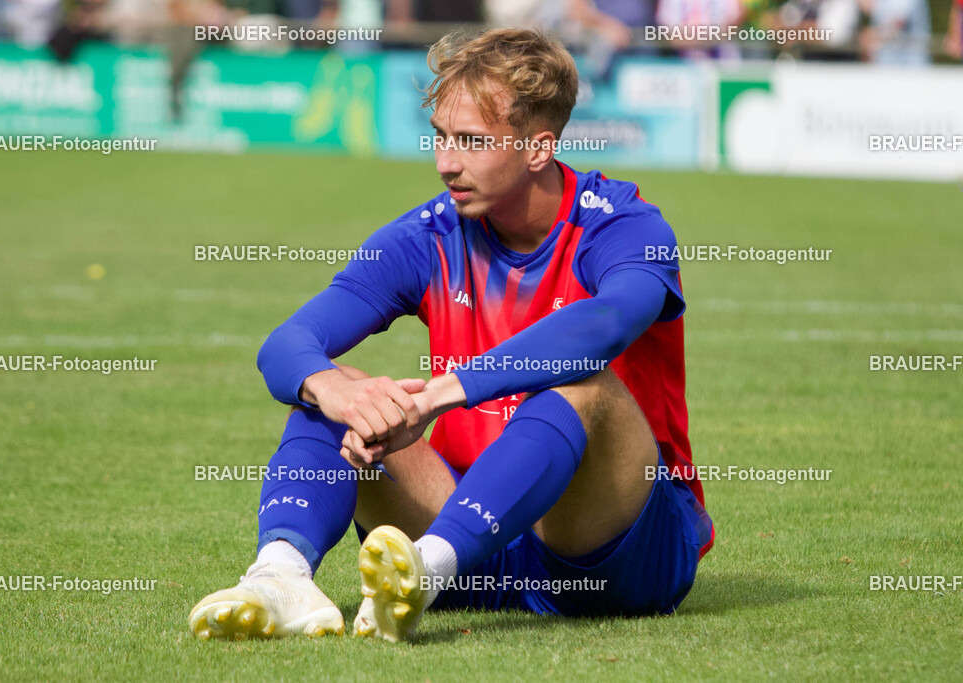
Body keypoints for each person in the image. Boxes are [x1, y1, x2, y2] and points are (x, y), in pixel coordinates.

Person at [188, 28, 714, 643]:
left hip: (612, 550)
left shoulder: (623, 224)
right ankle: (280, 578)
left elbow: (608, 323)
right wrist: (330, 388)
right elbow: (288, 343)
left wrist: (441, 394)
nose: (445, 162)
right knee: (342, 389)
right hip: (473, 534)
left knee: (584, 387)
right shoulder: (427, 235)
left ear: (538, 148)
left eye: (471, 141)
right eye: (440, 137)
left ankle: (423, 572)